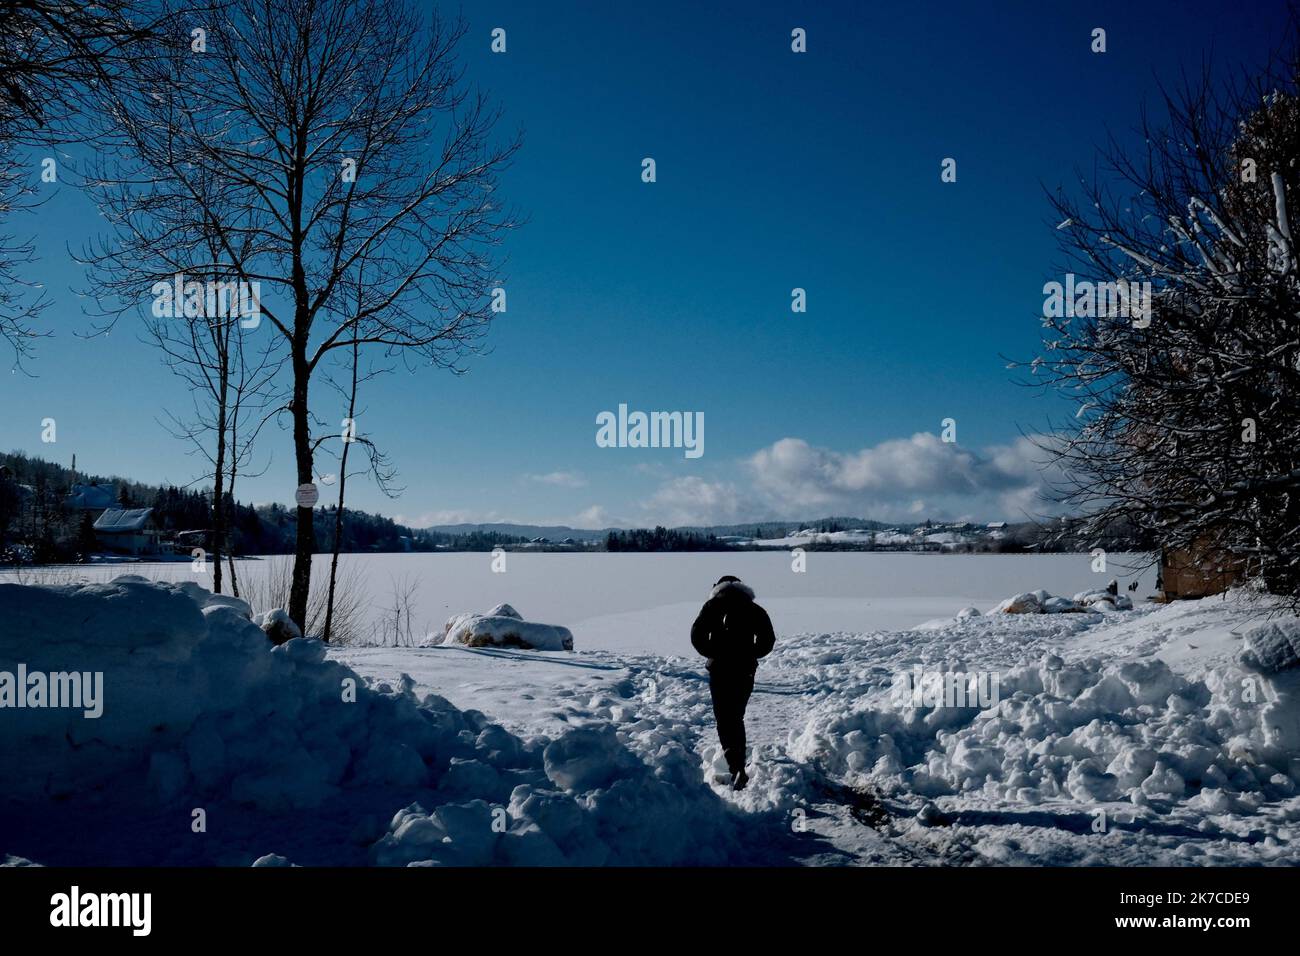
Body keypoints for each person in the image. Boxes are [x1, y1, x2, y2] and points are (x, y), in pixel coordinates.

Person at [690, 575, 775, 791]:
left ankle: (736, 766)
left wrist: (714, 652)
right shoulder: (754, 608)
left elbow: (697, 636)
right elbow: (767, 640)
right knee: (736, 716)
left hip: (719, 669)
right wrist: (751, 653)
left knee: (724, 717)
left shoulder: (712, 605)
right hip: (745, 670)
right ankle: (737, 766)